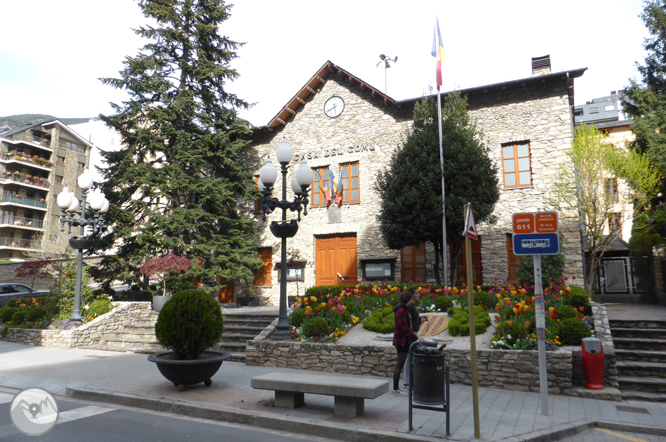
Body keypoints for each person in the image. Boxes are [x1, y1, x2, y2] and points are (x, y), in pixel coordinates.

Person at [392, 290, 419, 393]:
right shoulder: (402, 311)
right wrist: (416, 338)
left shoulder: (401, 309)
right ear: (408, 300)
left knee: (404, 362)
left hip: (403, 340)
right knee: (400, 364)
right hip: (401, 342)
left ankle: (408, 384)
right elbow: (405, 328)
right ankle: (395, 388)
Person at [404, 286, 428, 387]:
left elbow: (413, 322)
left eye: (419, 293)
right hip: (411, 334)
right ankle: (407, 382)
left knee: (411, 357)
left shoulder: (412, 306)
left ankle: (409, 381)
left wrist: (419, 321)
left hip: (413, 333)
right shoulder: (410, 307)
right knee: (410, 357)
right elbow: (408, 322)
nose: (419, 295)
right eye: (416, 293)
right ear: (411, 295)